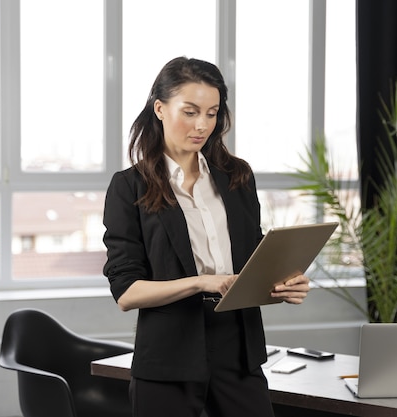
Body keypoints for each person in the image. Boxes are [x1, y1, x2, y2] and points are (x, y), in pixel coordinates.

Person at [102, 56, 311, 417]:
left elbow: (252, 260)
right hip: (169, 358)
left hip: (238, 349)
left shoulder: (237, 178)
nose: (202, 125)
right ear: (160, 109)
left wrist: (284, 281)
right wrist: (201, 283)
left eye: (212, 113)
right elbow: (126, 292)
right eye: (190, 111)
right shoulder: (129, 187)